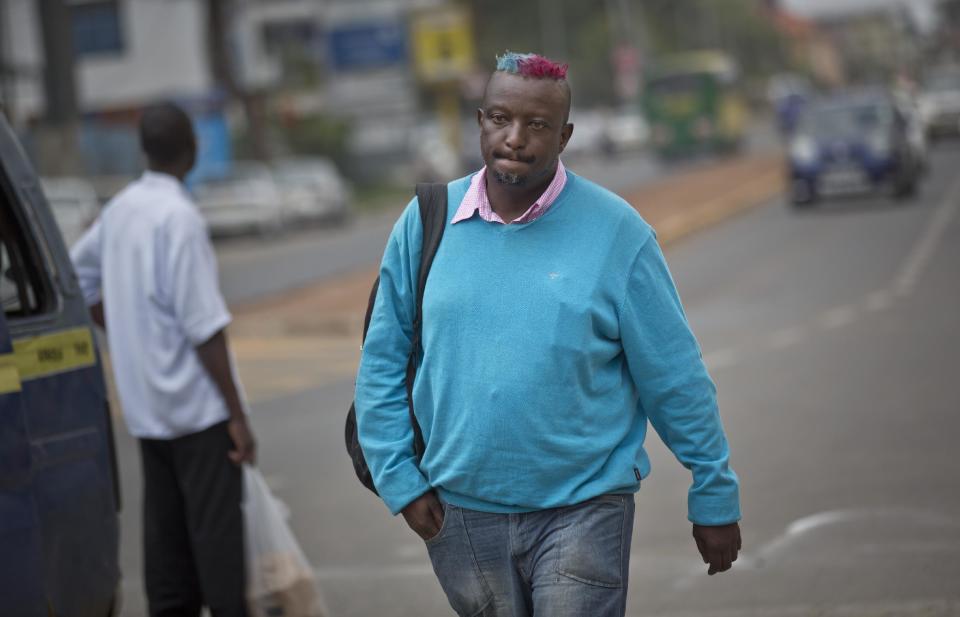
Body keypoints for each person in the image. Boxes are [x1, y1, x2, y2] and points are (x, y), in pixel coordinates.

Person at [355, 52, 742, 617]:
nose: (514, 138)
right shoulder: (425, 222)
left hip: (585, 507)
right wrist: (401, 483)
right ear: (480, 121)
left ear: (564, 136)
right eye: (499, 119)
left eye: (536, 125)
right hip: (459, 515)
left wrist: (714, 489)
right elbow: (382, 363)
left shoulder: (618, 233)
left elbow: (674, 376)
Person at [71, 102, 255, 617]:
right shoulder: (180, 216)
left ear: (143, 150)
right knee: (219, 555)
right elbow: (204, 327)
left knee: (167, 557)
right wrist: (237, 417)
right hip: (198, 414)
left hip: (148, 414)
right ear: (192, 149)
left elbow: (78, 279)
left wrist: (130, 329)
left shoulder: (121, 209)